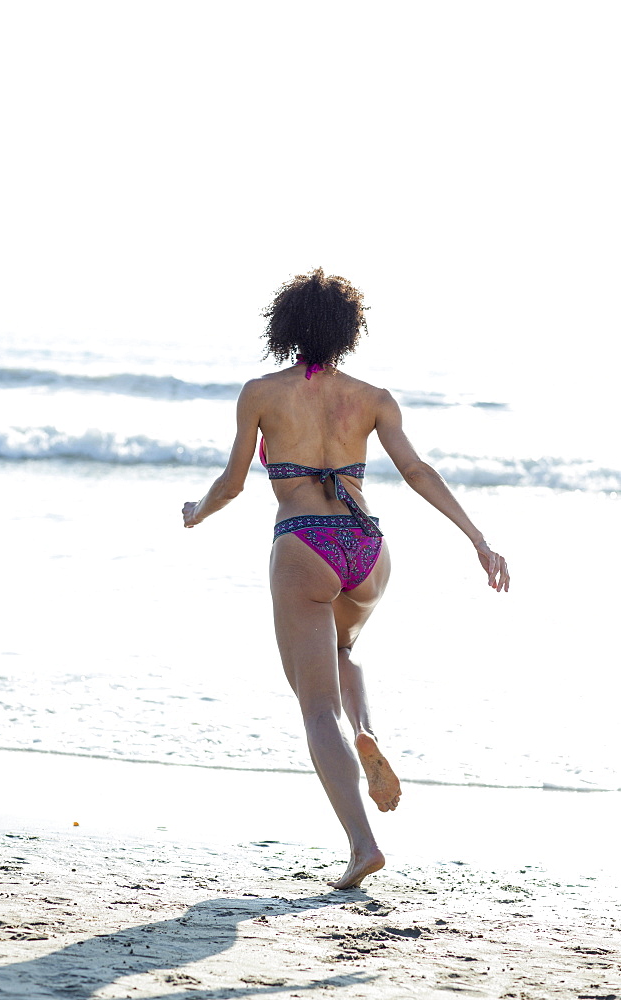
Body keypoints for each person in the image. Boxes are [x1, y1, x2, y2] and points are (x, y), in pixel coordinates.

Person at [182, 268, 510, 889]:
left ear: (286, 325)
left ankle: (362, 846)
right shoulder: (373, 396)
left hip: (304, 544)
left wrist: (196, 513)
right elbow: (417, 470)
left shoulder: (261, 392)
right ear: (347, 330)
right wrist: (479, 540)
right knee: (343, 647)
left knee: (314, 710)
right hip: (367, 547)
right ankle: (367, 732)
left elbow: (232, 483)